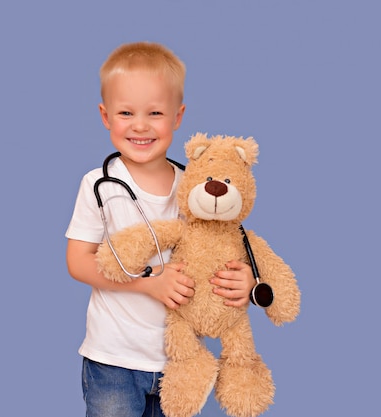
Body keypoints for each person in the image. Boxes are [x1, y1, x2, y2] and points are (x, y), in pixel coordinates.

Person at [65, 41, 255, 417]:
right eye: (125, 112)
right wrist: (149, 282)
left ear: (177, 116)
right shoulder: (98, 184)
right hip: (114, 361)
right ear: (105, 116)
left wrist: (246, 282)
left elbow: (228, 248)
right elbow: (78, 262)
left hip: (181, 364)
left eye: (155, 112)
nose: (140, 125)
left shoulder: (196, 187)